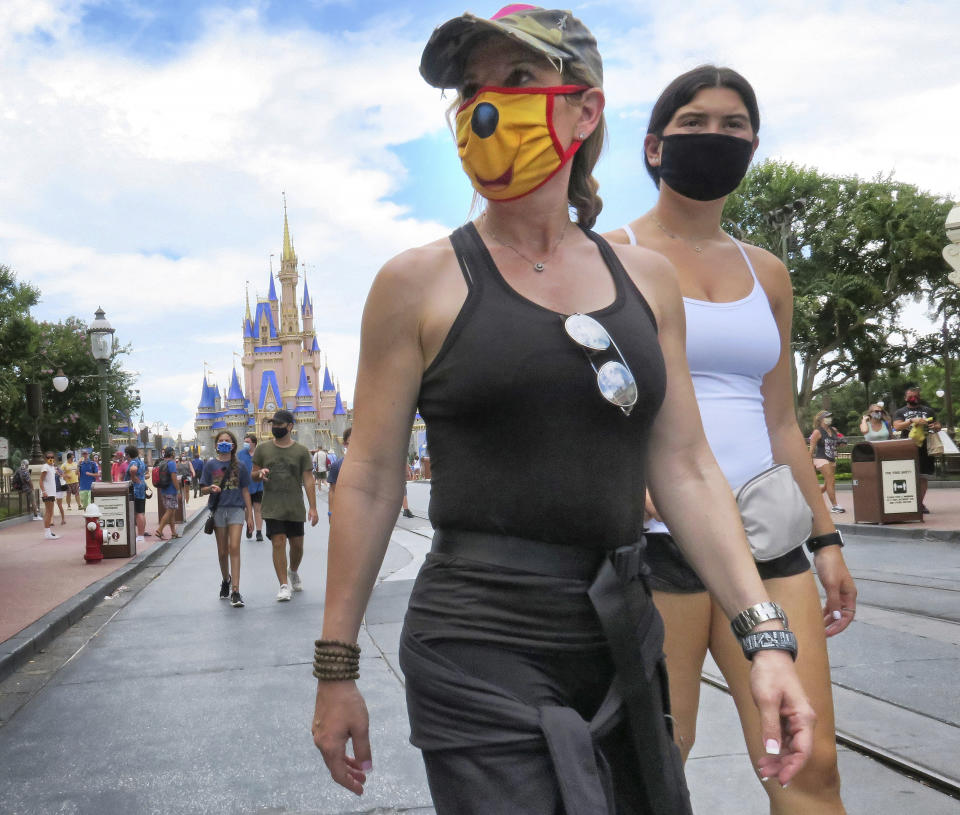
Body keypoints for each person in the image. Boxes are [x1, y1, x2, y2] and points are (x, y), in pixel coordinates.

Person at [312, 13, 815, 813]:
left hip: (619, 631)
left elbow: (684, 466)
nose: (485, 108)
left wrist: (764, 635)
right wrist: (336, 668)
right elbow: (369, 476)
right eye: (473, 88)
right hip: (476, 638)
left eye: (516, 81)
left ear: (585, 112)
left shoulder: (647, 282)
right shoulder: (417, 282)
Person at [606, 64, 855, 813]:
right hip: (658, 539)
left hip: (768, 536)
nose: (715, 138)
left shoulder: (767, 272)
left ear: (753, 145)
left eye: (733, 126)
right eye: (695, 124)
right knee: (660, 757)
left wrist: (828, 537)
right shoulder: (609, 256)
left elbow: (780, 420)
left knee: (809, 761)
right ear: (654, 146)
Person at [251, 409, 318, 601]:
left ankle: (293, 570)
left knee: (297, 546)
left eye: (279, 425)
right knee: (278, 542)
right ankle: (283, 585)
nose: (275, 428)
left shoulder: (301, 451)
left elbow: (308, 480)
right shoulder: (263, 449)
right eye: (273, 425)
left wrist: (313, 507)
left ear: (290, 427)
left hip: (294, 505)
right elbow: (253, 474)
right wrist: (260, 473)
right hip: (272, 506)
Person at [200, 430, 253, 608]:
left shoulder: (240, 466)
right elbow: (202, 488)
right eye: (221, 440)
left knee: (234, 547)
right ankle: (226, 579)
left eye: (227, 440)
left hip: (236, 509)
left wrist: (250, 515)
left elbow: (245, 490)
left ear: (233, 445)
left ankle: (236, 591)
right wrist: (211, 488)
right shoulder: (210, 465)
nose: (224, 443)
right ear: (216, 445)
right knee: (222, 551)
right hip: (219, 510)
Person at [892, 386, 941, 513]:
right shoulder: (900, 412)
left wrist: (934, 425)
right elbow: (896, 426)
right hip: (908, 446)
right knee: (907, 475)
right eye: (910, 396)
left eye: (916, 396)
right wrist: (911, 421)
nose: (913, 398)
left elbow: (938, 425)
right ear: (905, 398)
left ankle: (920, 504)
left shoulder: (928, 411)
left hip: (925, 446)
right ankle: (909, 502)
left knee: (923, 476)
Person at [809, 410, 845, 514]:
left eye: (830, 416)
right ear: (821, 419)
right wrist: (809, 464)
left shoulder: (833, 430)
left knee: (827, 485)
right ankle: (835, 506)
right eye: (827, 417)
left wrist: (842, 441)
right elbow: (811, 449)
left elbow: (840, 440)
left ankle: (809, 500)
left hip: (831, 459)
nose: (830, 418)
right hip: (821, 458)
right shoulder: (817, 432)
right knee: (831, 481)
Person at [238, 434, 264, 540]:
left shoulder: (261, 454)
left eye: (247, 442)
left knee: (258, 509)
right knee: (246, 510)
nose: (245, 443)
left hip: (258, 485)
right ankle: (250, 526)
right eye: (244, 441)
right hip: (245, 487)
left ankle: (259, 532)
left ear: (254, 443)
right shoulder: (240, 454)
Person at [154, 446, 180, 540]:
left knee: (171, 512)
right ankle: (159, 530)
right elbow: (174, 478)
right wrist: (178, 490)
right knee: (169, 511)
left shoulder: (162, 463)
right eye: (174, 452)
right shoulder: (171, 463)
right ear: (172, 453)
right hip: (171, 491)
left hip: (163, 490)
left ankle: (174, 533)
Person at [325, 427, 350, 524]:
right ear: (344, 444)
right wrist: (331, 513)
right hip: (344, 513)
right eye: (349, 443)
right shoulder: (337, 465)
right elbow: (332, 491)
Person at [125, 444, 148, 543]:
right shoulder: (140, 461)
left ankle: (140, 535)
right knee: (141, 512)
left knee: (138, 513)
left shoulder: (133, 462)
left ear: (128, 454)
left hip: (135, 490)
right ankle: (142, 532)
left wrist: (134, 478)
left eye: (126, 454)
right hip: (141, 489)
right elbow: (145, 473)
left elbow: (133, 469)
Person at [40, 451, 59, 539]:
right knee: (48, 512)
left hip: (52, 493)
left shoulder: (52, 467)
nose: (50, 459)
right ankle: (47, 533)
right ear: (45, 459)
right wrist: (44, 492)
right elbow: (41, 480)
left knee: (50, 512)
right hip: (47, 493)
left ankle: (48, 532)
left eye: (52, 457)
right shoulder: (45, 467)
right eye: (48, 457)